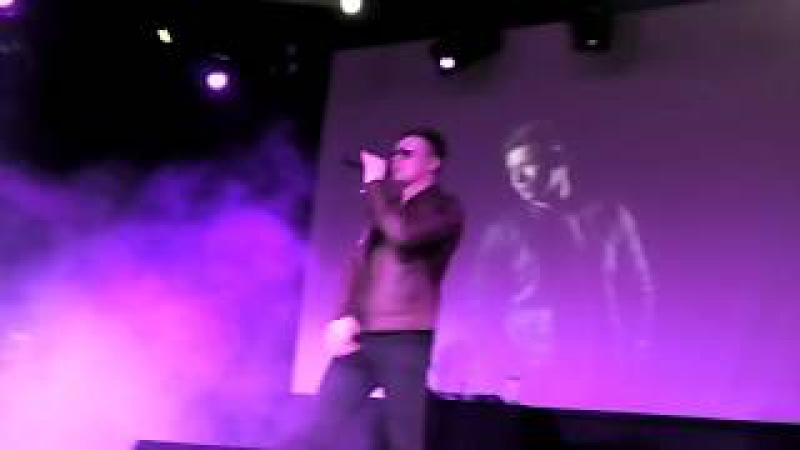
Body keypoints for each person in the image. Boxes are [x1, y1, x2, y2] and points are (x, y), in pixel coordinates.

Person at [467, 120, 656, 402]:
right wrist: (500, 370)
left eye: (527, 165)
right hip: (536, 374)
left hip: (606, 368)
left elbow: (639, 288)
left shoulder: (611, 215)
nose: (518, 178)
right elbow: (483, 308)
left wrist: (636, 348)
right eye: (511, 170)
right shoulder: (502, 232)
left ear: (558, 160)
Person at [306, 128, 464, 450]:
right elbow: (357, 266)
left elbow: (404, 236)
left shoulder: (445, 208)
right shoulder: (384, 208)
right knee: (319, 428)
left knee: (405, 439)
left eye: (407, 153)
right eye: (394, 153)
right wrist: (343, 315)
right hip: (361, 339)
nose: (396, 159)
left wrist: (374, 183)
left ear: (433, 162)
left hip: (405, 340)